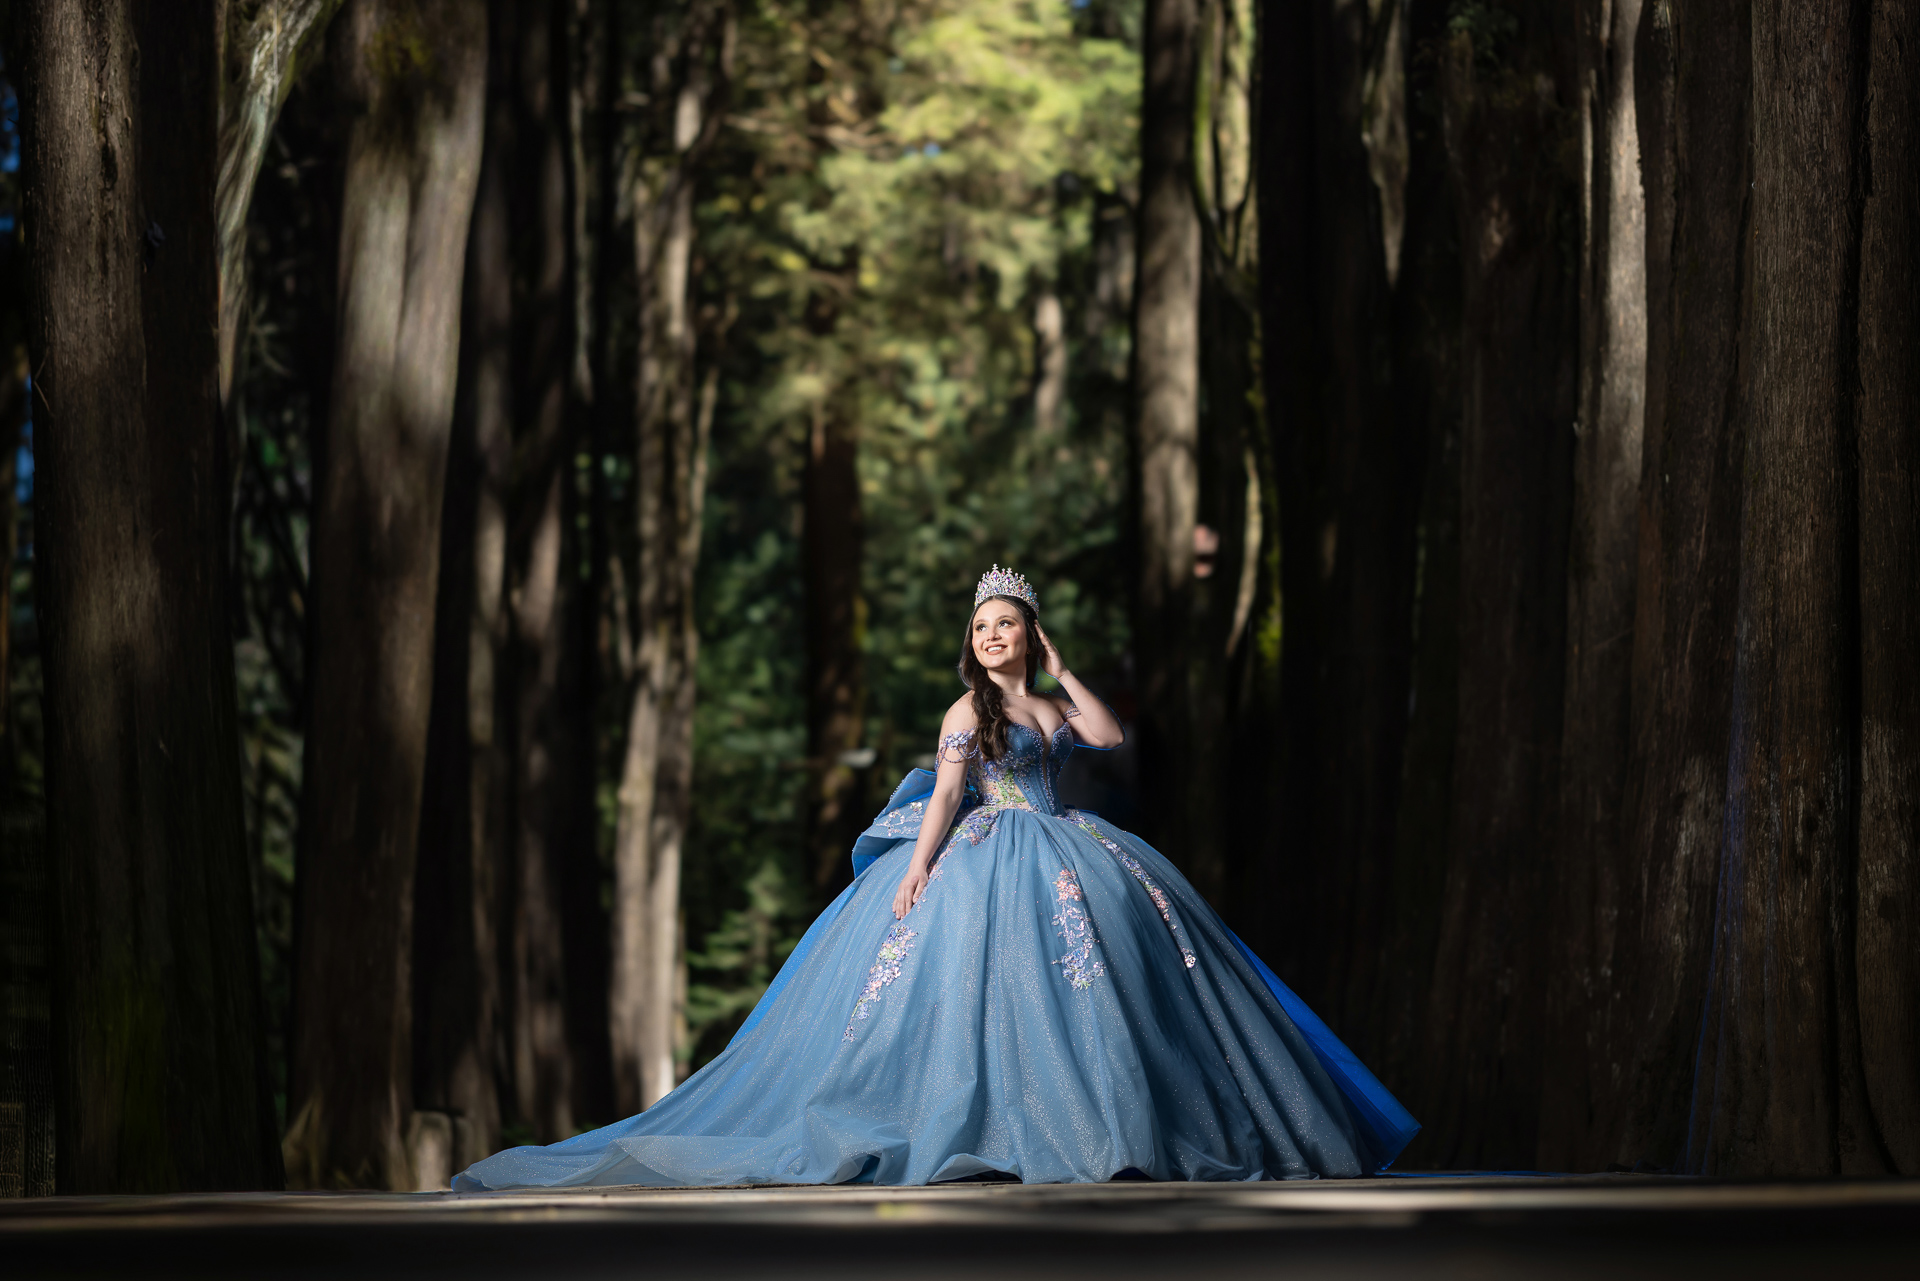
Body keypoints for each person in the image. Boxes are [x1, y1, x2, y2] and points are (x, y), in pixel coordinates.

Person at [453, 566, 1417, 1190]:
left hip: (1066, 845)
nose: (996, 635)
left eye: (1011, 625)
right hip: (987, 851)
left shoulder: (1047, 706)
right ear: (971, 643)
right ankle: (990, 1118)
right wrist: (915, 874)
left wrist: (1063, 666)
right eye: (986, 627)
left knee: (1098, 982)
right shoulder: (969, 714)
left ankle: (1115, 1118)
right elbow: (951, 796)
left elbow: (1113, 738)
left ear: (1030, 635)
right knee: (970, 990)